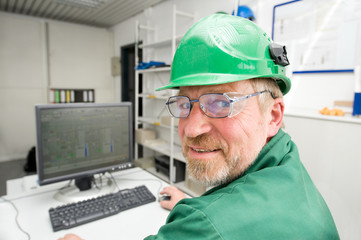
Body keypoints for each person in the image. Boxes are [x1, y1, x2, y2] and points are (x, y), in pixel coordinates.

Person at [59, 13, 339, 240]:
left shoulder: (207, 226)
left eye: (221, 103)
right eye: (184, 103)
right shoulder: (287, 163)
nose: (191, 129)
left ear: (273, 116)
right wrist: (188, 204)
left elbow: (218, 224)